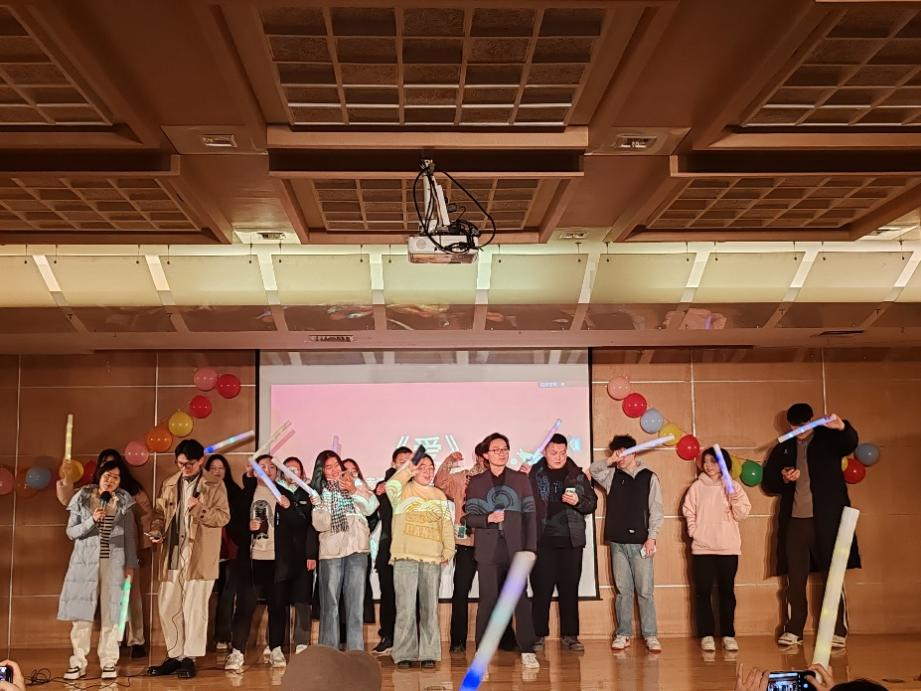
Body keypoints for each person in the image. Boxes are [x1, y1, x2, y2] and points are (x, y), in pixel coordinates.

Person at [762, 404, 859, 649]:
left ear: (812, 420)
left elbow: (849, 444)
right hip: (795, 521)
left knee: (832, 575)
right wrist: (784, 478)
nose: (800, 429)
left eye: (804, 424)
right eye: (795, 426)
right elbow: (769, 482)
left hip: (826, 520)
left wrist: (843, 427)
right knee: (795, 579)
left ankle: (837, 630)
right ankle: (794, 630)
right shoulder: (784, 447)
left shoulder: (828, 438)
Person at [57, 449, 152, 659]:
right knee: (89, 607)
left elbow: (142, 521)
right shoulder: (85, 495)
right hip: (90, 560)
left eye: (115, 474)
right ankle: (83, 657)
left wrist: (140, 552)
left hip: (122, 557)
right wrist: (67, 479)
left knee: (128, 598)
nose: (110, 478)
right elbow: (70, 519)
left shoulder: (129, 494)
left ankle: (134, 641)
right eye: (106, 470)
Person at [147, 439, 230, 679]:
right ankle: (175, 654)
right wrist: (156, 530)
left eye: (189, 464)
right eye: (180, 463)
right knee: (168, 604)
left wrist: (199, 509)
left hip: (200, 555)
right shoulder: (169, 483)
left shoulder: (214, 485)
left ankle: (189, 658)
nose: (184, 468)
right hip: (173, 551)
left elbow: (223, 517)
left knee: (194, 608)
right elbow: (159, 513)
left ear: (201, 461)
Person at [463, 432, 540, 671]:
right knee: (488, 601)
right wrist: (488, 518)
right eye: (496, 450)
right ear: (486, 455)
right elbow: (469, 518)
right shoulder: (476, 482)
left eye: (505, 449)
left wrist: (530, 548)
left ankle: (527, 650)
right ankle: (482, 654)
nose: (502, 453)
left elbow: (530, 516)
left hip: (516, 549)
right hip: (488, 550)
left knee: (520, 599)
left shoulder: (520, 479)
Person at [225, 454, 299, 671]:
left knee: (277, 608)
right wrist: (246, 527)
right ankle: (237, 652)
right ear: (255, 471)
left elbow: (298, 524)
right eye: (262, 467)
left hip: (277, 562)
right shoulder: (246, 494)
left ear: (277, 472)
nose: (267, 470)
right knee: (244, 608)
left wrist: (289, 508)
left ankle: (276, 649)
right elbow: (233, 527)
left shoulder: (285, 494)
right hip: (251, 561)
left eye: (271, 467)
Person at [523, 433, 596, 652]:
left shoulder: (577, 475)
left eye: (563, 452)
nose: (559, 457)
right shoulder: (533, 474)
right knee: (541, 589)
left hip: (571, 541)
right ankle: (538, 635)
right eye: (554, 452)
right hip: (541, 541)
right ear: (545, 452)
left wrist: (579, 501)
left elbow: (592, 503)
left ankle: (570, 635)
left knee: (569, 589)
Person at [590, 434, 664, 653]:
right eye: (617, 453)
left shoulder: (649, 477)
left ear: (635, 452)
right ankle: (623, 634)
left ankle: (650, 635)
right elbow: (593, 470)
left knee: (645, 590)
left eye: (624, 453)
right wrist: (610, 460)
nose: (620, 457)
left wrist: (652, 537)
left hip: (642, 542)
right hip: (617, 542)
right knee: (623, 591)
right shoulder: (611, 475)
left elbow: (656, 509)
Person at [385, 453, 454, 669]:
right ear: (414, 469)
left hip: (432, 558)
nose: (427, 471)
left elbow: (446, 525)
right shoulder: (402, 491)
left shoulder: (438, 495)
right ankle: (404, 653)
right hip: (406, 557)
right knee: (405, 608)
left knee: (429, 609)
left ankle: (429, 653)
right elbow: (391, 485)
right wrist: (409, 468)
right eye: (422, 467)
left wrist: (448, 550)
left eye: (430, 467)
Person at [681, 446, 751, 652]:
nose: (708, 465)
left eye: (713, 461)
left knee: (726, 592)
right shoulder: (697, 487)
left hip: (728, 548)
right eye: (706, 461)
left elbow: (742, 514)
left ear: (723, 464)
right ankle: (706, 634)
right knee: (702, 593)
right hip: (702, 549)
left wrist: (733, 497)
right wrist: (695, 531)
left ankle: (728, 634)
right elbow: (688, 511)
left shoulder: (733, 486)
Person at [310, 450, 379, 651]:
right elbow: (320, 525)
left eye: (336, 465)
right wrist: (321, 505)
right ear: (322, 471)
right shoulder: (319, 492)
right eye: (328, 467)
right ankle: (328, 651)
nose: (334, 470)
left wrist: (353, 491)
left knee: (355, 605)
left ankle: (355, 651)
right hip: (331, 552)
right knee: (330, 605)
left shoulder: (356, 484)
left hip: (357, 550)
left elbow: (371, 507)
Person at [370, 446, 412, 656]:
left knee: (411, 597)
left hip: (412, 550)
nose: (405, 465)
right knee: (388, 595)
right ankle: (387, 637)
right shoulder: (384, 486)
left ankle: (410, 641)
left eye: (409, 462)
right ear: (394, 464)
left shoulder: (418, 485)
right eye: (401, 461)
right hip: (388, 549)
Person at [279, 456, 320, 654]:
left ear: (302, 473)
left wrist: (311, 554)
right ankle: (278, 642)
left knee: (302, 598)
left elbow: (312, 527)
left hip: (304, 554)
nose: (292, 473)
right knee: (279, 598)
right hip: (282, 554)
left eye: (296, 469)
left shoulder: (309, 493)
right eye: (288, 469)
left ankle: (302, 640)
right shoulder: (277, 491)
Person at [205, 454, 241, 652]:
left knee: (228, 595)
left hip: (232, 550)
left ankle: (223, 636)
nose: (217, 472)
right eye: (213, 468)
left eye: (221, 468)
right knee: (204, 595)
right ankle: (198, 638)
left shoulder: (234, 492)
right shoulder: (202, 490)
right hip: (208, 550)